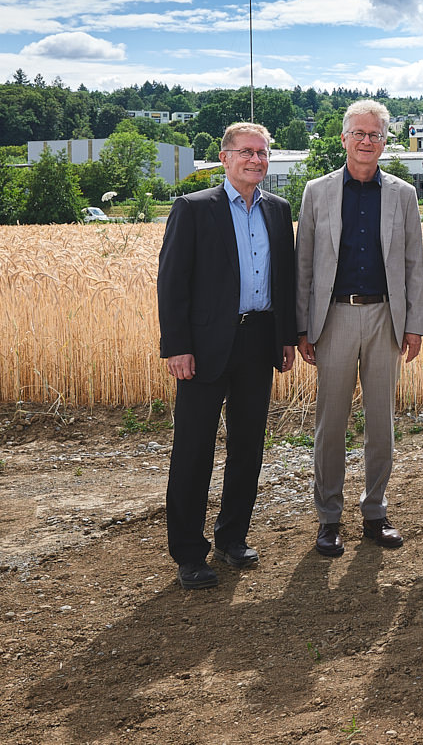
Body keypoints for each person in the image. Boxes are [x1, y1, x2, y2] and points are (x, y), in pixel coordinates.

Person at [157, 122, 297, 590]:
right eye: (246, 152)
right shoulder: (193, 209)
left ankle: (232, 538)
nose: (256, 160)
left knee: (248, 448)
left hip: (258, 341)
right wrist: (176, 345)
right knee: (194, 450)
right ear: (224, 157)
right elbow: (172, 282)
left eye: (262, 153)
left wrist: (286, 338)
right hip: (204, 348)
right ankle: (189, 554)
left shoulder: (278, 210)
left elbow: (285, 280)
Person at [297, 100, 423, 557]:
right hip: (332, 319)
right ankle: (329, 519)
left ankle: (375, 512)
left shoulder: (403, 195)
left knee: (380, 423)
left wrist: (415, 325)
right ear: (344, 138)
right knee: (330, 423)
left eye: (375, 134)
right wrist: (302, 327)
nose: (366, 141)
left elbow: (413, 264)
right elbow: (305, 263)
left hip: (385, 318)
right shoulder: (317, 191)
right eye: (359, 134)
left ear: (385, 141)